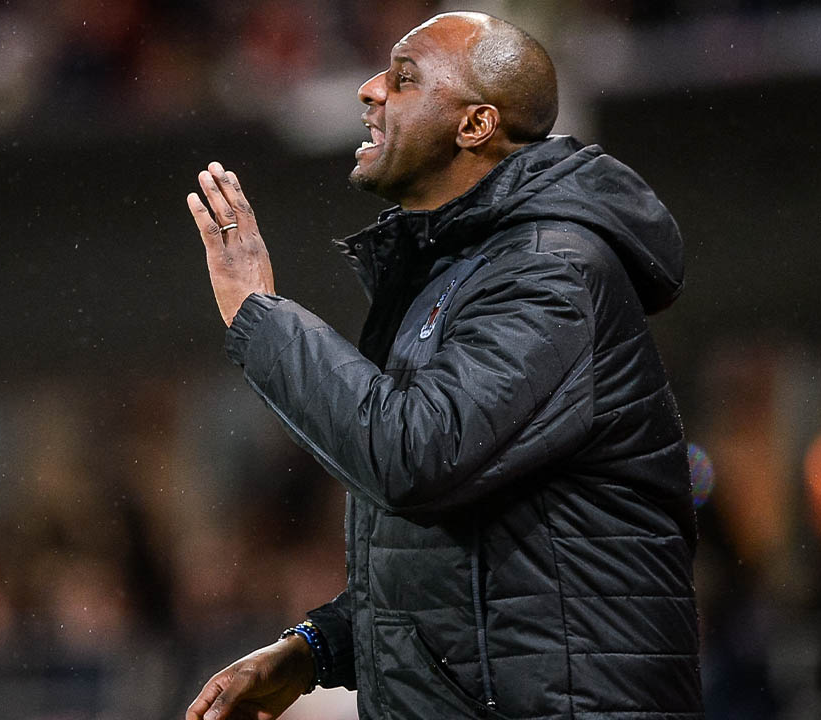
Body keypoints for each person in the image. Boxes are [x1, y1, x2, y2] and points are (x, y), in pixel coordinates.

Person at [183, 11, 702, 720]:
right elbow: (466, 562)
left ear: (476, 124)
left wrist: (259, 312)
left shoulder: (551, 272)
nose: (369, 89)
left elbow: (415, 456)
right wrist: (317, 650)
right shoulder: (463, 270)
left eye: (404, 78)